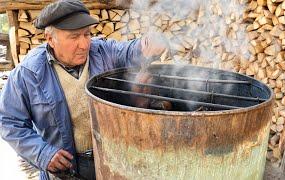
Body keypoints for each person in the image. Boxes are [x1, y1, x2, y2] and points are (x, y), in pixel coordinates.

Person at [0, 0, 165, 179]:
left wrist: (145, 46)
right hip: (64, 170)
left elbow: (126, 52)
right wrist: (42, 153)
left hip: (110, 158)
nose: (84, 44)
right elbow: (9, 121)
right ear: (50, 39)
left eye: (86, 34)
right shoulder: (29, 73)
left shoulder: (102, 51)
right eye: (74, 37)